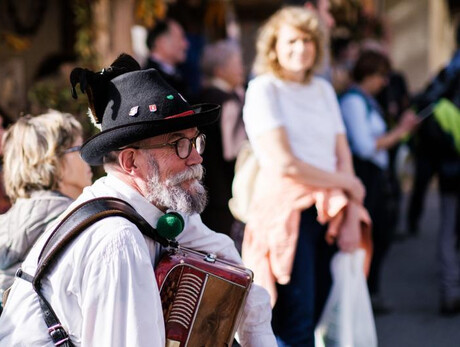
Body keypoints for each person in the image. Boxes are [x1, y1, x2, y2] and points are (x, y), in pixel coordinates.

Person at [0, 54, 276, 346]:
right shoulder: (118, 239)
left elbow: (237, 274)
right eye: (179, 145)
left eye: (195, 140)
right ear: (130, 161)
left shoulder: (152, 208)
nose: (196, 157)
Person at [241, 7, 370, 346]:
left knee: (323, 316)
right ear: (273, 46)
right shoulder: (263, 89)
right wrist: (347, 185)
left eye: (308, 40)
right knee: (294, 322)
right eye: (292, 40)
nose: (301, 48)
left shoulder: (323, 90)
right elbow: (286, 163)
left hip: (331, 210)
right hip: (288, 212)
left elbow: (344, 156)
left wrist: (353, 213)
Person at [339, 50, 419, 313]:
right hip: (364, 176)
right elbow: (364, 146)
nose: (385, 82)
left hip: (375, 175)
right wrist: (401, 132)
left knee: (380, 232)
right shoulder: (353, 101)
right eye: (381, 76)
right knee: (370, 234)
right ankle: (363, 295)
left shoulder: (365, 100)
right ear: (369, 74)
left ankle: (368, 292)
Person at [0, 110, 93, 310]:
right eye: (78, 148)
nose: (88, 156)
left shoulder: (6, 221)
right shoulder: (72, 221)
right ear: (52, 159)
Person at [408, 23, 460, 315]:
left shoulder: (448, 71)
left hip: (450, 168)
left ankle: (450, 290)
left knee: (448, 228)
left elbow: (424, 103)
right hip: (452, 166)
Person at [198, 40, 247, 247]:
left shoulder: (198, 97)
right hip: (226, 196)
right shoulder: (228, 102)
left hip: (203, 194)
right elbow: (236, 153)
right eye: (237, 63)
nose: (242, 69)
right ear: (220, 69)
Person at [144, 18, 190, 97]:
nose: (186, 44)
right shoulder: (147, 79)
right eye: (180, 38)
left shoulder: (179, 75)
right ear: (162, 42)